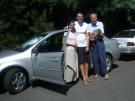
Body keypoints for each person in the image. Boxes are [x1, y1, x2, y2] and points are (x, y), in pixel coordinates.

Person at [87, 12, 109, 80]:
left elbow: (102, 33)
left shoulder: (100, 23)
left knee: (102, 58)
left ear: (96, 18)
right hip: (93, 43)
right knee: (94, 58)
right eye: (92, 18)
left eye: (95, 18)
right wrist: (93, 35)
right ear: (90, 18)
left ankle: (105, 73)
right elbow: (89, 35)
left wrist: (96, 34)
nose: (94, 19)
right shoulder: (89, 25)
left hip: (99, 42)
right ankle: (96, 73)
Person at [75, 12, 91, 85]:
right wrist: (65, 28)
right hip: (79, 46)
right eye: (79, 16)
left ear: (83, 17)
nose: (80, 17)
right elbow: (68, 28)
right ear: (77, 17)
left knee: (86, 62)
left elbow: (87, 36)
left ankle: (87, 76)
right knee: (81, 62)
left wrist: (87, 46)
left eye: (81, 16)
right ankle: (84, 77)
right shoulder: (74, 24)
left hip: (85, 45)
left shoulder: (86, 25)